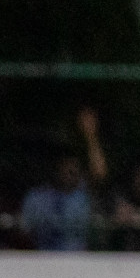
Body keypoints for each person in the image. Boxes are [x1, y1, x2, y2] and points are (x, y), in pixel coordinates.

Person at [21, 107, 108, 251]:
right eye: (65, 167)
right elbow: (23, 233)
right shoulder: (35, 197)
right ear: (55, 169)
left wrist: (91, 136)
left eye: (74, 168)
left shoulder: (83, 194)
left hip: (78, 261)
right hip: (42, 262)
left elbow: (99, 173)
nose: (70, 171)